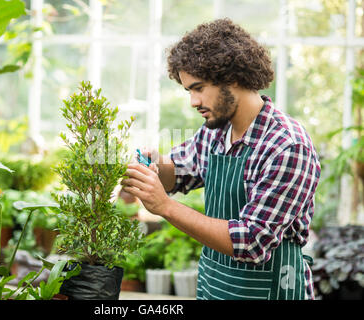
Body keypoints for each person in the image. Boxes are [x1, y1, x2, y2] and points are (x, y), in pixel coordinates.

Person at [121, 18, 321, 300]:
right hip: (215, 287)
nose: (193, 101)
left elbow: (251, 241)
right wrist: (152, 166)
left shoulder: (287, 146)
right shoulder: (217, 130)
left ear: (234, 77)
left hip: (268, 290)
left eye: (199, 88)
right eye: (188, 90)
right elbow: (179, 171)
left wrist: (164, 206)